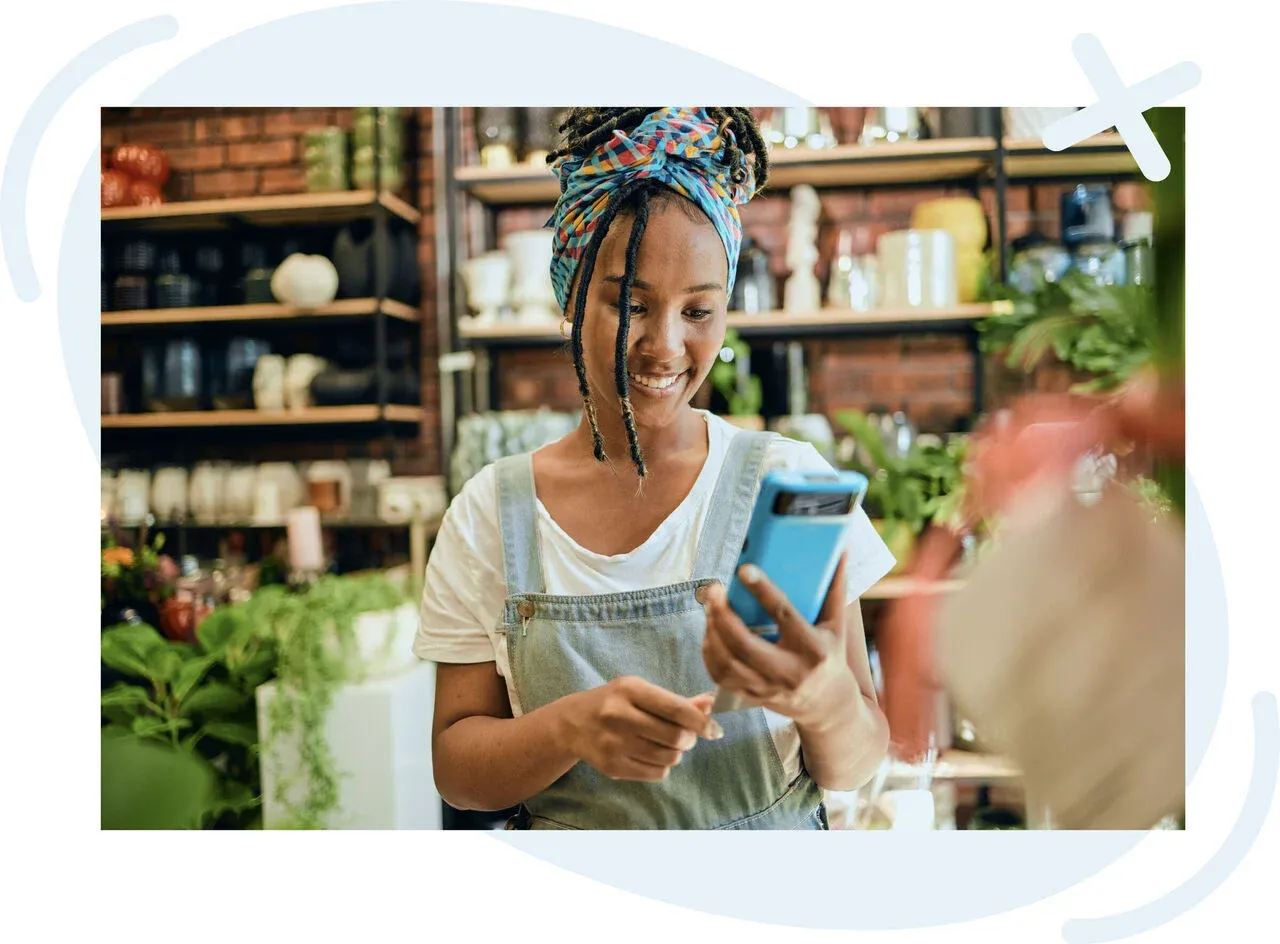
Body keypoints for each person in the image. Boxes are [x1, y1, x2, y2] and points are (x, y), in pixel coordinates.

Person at [414, 107, 895, 830]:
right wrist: (568, 729)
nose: (666, 347)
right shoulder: (492, 512)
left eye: (699, 311)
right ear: (570, 294)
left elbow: (860, 761)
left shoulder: (789, 484)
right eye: (631, 305)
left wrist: (820, 698)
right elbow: (456, 772)